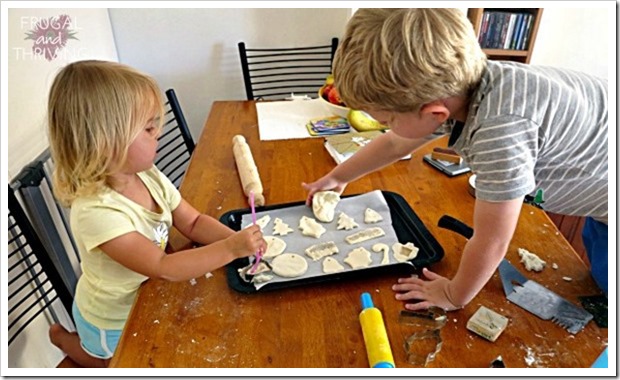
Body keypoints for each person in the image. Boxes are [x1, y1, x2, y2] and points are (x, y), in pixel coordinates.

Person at [303, 9, 608, 311]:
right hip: (597, 201)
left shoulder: (499, 131)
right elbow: (395, 144)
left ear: (434, 113)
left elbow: (492, 240)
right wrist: (338, 177)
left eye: (388, 120)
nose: (387, 127)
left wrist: (453, 294)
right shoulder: (458, 87)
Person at [47, 60, 266, 367]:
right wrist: (231, 249)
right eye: (149, 128)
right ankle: (62, 338)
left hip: (145, 294)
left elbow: (193, 221)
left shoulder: (146, 174)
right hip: (111, 319)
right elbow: (162, 266)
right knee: (112, 365)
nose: (158, 132)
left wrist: (240, 241)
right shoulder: (97, 212)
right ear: (105, 142)